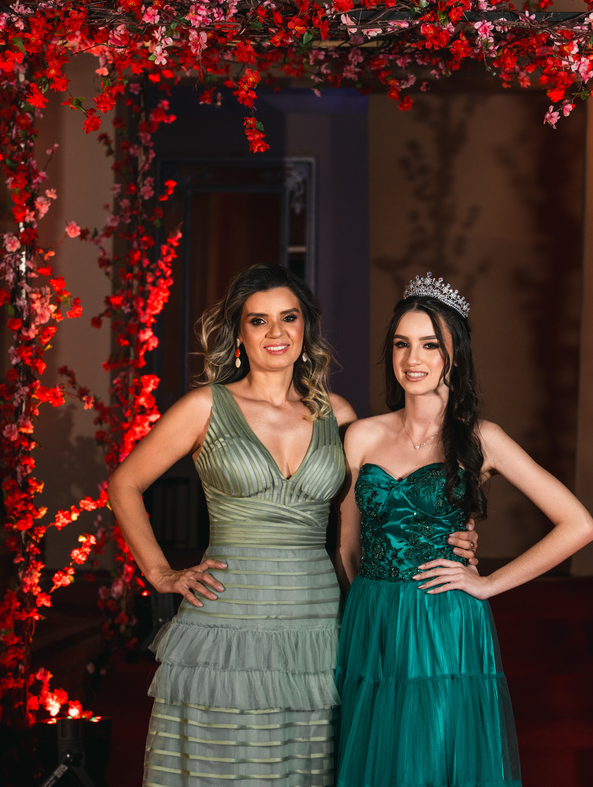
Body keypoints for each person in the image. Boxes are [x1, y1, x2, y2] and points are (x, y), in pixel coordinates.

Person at [108, 263, 476, 786]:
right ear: (239, 333)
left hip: (316, 620)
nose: (275, 332)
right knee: (225, 768)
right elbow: (124, 483)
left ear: (306, 327)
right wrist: (160, 573)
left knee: (303, 772)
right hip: (229, 617)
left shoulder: (339, 415)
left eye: (288, 317)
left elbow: (382, 506)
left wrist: (452, 534)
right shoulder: (205, 407)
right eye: (258, 320)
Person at [335, 273, 593, 787]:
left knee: (431, 759)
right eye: (402, 344)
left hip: (443, 619)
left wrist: (487, 583)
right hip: (371, 617)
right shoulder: (361, 436)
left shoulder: (482, 439)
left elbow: (578, 525)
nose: (413, 358)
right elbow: (346, 546)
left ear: (454, 354)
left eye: (430, 344)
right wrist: (362, 614)